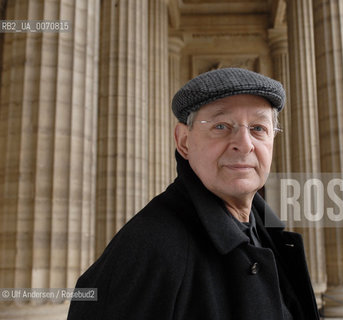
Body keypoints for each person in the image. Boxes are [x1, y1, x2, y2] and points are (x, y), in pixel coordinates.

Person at [67, 67, 320, 320]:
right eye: (221, 126)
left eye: (258, 128)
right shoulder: (150, 246)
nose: (244, 144)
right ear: (184, 142)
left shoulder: (268, 232)